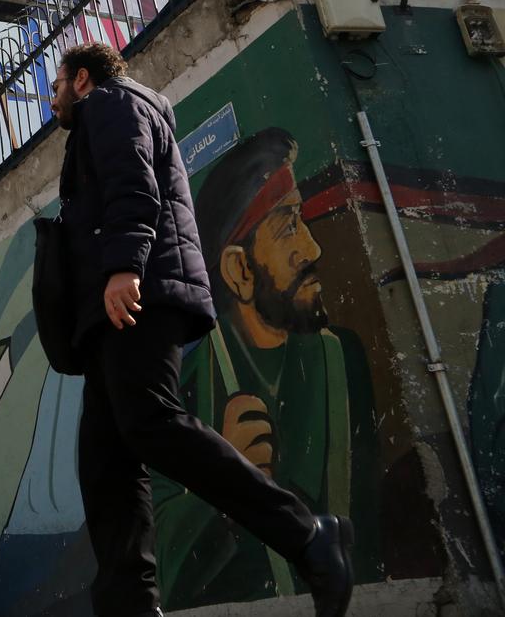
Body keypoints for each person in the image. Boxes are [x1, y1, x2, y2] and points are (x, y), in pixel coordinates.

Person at [48, 42, 354, 617]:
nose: (51, 96)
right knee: (105, 464)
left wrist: (122, 268)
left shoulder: (111, 105)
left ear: (81, 79)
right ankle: (129, 607)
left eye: (56, 84)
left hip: (137, 297)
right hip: (112, 313)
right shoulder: (107, 112)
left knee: (152, 422)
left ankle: (309, 537)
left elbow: (132, 185)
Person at [156, 128, 379, 609]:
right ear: (238, 270)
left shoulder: (340, 360)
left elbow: (372, 522)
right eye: (287, 226)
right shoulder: (182, 397)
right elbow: (154, 560)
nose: (313, 249)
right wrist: (218, 485)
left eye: (301, 221)